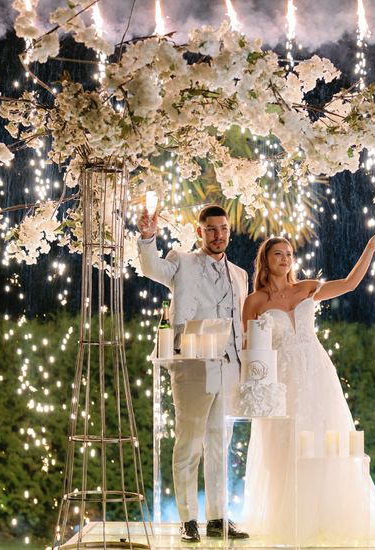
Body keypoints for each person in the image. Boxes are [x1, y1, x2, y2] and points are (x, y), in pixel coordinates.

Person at [240, 229, 375, 548]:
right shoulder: (255, 301)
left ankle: (329, 516)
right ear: (265, 260)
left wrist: (370, 246)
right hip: (281, 380)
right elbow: (249, 349)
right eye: (278, 253)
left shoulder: (307, 289)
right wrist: (254, 389)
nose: (285, 258)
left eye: (289, 253)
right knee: (283, 447)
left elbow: (349, 283)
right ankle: (292, 521)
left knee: (326, 440)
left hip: (316, 373)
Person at [137, 204, 250, 543]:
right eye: (212, 229)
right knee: (189, 443)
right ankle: (188, 520)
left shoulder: (240, 275)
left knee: (219, 443)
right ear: (199, 232)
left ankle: (217, 517)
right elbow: (151, 268)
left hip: (228, 365)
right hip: (190, 363)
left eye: (224, 229)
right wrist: (147, 236)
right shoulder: (181, 262)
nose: (219, 235)